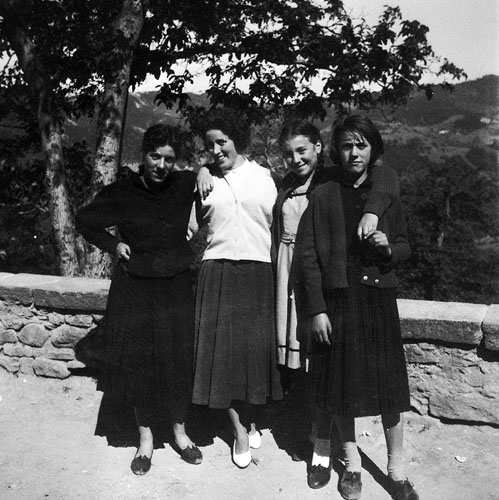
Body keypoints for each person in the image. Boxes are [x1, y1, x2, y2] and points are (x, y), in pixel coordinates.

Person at [294, 115, 418, 500]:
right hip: (340, 302)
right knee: (342, 389)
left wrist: (388, 248)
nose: (353, 153)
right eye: (346, 145)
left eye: (361, 145)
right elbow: (308, 258)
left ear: (372, 148)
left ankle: (396, 470)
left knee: (390, 391)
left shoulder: (386, 192)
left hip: (378, 300)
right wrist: (317, 310)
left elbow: (405, 247)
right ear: (337, 150)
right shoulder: (324, 194)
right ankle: (351, 466)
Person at [76, 124, 202, 476]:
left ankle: (180, 434)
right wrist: (113, 244)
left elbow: (212, 178)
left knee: (177, 362)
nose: (161, 165)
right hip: (135, 287)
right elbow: (85, 221)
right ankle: (145, 440)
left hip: (175, 286)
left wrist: (205, 170)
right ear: (143, 155)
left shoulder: (184, 184)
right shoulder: (123, 191)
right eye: (154, 156)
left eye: (169, 159)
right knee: (140, 364)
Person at [191, 107, 283, 469]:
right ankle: (239, 430)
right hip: (217, 271)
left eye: (222, 142)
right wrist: (201, 172)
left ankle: (253, 417)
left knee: (253, 353)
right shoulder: (204, 181)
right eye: (209, 145)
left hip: (258, 272)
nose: (215, 151)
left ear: (237, 140)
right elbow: (186, 228)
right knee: (222, 355)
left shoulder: (266, 178)